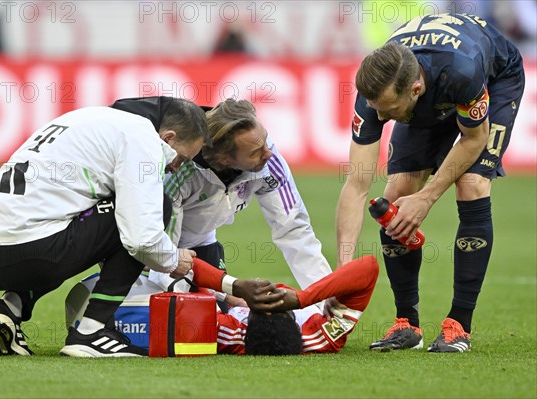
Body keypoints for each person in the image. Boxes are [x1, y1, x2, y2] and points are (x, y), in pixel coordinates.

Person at [0, 96, 284, 358]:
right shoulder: (142, 141)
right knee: (150, 210)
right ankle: (90, 332)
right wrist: (174, 259)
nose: (177, 167)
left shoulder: (94, 118)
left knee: (78, 223)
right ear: (168, 138)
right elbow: (142, 240)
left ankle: (11, 306)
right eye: (182, 158)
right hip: (31, 251)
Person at [335, 13, 525, 352]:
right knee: (396, 195)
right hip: (430, 90)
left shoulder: (462, 73)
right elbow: (356, 185)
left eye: (388, 110)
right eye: (377, 110)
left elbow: (472, 139)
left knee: (472, 183)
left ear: (415, 89)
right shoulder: (375, 93)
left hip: (495, 80)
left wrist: (427, 197)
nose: (380, 119)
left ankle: (459, 326)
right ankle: (406, 323)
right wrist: (343, 270)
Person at [149, 98, 333, 309]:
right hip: (152, 249)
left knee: (216, 319)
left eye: (264, 140)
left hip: (202, 245)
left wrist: (324, 298)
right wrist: (226, 295)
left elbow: (294, 229)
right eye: (255, 152)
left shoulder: (267, 159)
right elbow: (163, 257)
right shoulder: (179, 173)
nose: (269, 153)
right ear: (225, 159)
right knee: (182, 320)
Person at [190, 255, 379, 355]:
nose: (270, 293)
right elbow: (368, 266)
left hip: (229, 305)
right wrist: (302, 298)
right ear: (298, 322)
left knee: (192, 254)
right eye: (277, 301)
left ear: (244, 323)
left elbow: (187, 268)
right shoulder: (319, 336)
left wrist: (233, 292)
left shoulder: (227, 333)